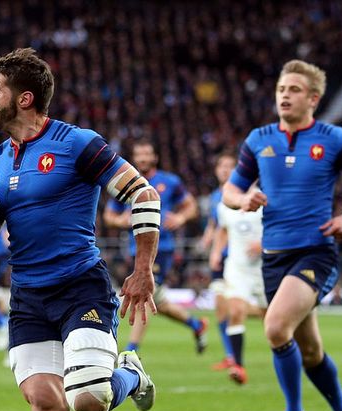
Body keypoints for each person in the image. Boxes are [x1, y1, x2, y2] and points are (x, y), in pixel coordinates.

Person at [0, 47, 159, 411]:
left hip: (80, 287)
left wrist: (142, 270)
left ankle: (130, 373)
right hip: (28, 298)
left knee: (88, 399)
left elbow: (144, 194)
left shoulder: (77, 143)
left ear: (24, 99)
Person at [223, 59, 342, 411]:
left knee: (275, 327)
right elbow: (230, 190)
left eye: (294, 90)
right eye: (281, 89)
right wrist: (241, 199)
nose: (285, 96)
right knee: (309, 350)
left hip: (316, 251)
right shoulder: (259, 140)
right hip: (273, 257)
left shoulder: (333, 138)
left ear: (313, 98)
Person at [103, 141, 207, 354]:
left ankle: (131, 350)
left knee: (142, 293)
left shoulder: (169, 182)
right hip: (133, 248)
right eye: (138, 154)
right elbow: (109, 217)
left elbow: (191, 207)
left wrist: (180, 217)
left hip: (161, 247)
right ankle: (195, 325)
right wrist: (122, 221)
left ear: (154, 157)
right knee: (157, 299)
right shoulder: (126, 183)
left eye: (146, 153)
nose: (142, 158)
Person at [209, 200, 267, 385]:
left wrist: (263, 243)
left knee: (273, 322)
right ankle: (238, 366)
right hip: (237, 268)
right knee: (234, 311)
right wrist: (216, 252)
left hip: (264, 268)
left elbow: (283, 227)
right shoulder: (225, 205)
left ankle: (291, 357)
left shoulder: (266, 198)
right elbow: (223, 229)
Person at [200, 153, 236, 370]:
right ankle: (231, 355)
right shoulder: (215, 196)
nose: (225, 170)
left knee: (232, 305)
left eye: (230, 166)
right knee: (220, 306)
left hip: (236, 258)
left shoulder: (240, 194)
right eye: (222, 166)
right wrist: (207, 238)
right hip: (220, 257)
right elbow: (216, 223)